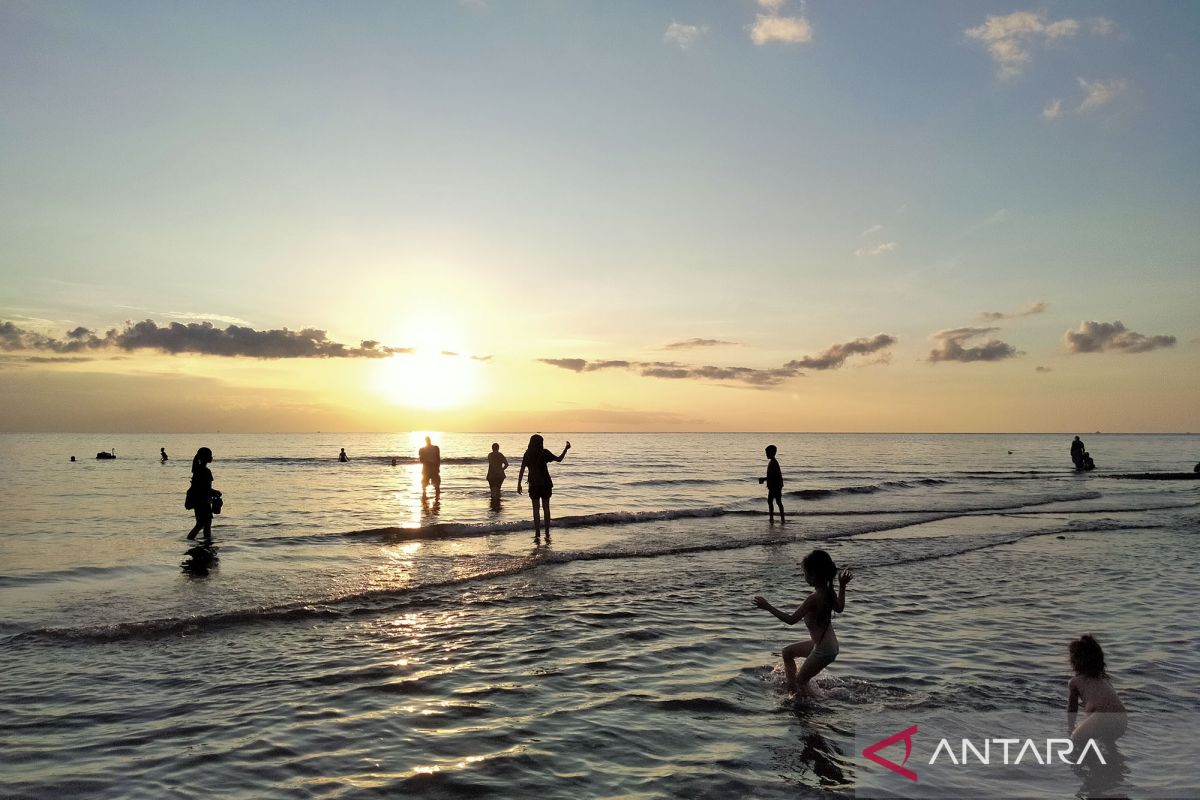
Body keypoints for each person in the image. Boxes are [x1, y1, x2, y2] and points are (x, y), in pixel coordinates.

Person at [753, 550, 853, 693]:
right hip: (829, 646)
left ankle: (804, 705)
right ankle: (791, 687)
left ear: (813, 576)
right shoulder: (829, 592)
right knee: (787, 653)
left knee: (801, 681)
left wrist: (767, 607)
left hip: (823, 650)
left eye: (804, 573)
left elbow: (791, 620)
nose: (803, 576)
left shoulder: (813, 598)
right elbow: (840, 608)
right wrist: (842, 586)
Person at [1067, 635, 1127, 744]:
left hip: (1102, 717)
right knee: (1106, 742)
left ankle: (1085, 760)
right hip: (1122, 719)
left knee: (1075, 738)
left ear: (1075, 661)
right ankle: (1114, 759)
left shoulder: (1074, 682)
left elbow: (1072, 709)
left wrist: (1071, 728)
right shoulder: (1105, 680)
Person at [517, 434, 570, 541]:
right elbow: (559, 459)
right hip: (546, 484)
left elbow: (522, 469)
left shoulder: (527, 454)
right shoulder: (544, 452)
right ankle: (547, 532)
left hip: (533, 485)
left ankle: (537, 533)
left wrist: (519, 483)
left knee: (535, 510)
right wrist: (566, 449)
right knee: (546, 508)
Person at [185, 447, 221, 542]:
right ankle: (202, 542)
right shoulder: (205, 471)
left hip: (198, 501)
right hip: (203, 501)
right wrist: (215, 492)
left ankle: (204, 542)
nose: (211, 457)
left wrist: (213, 492)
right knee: (204, 524)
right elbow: (205, 488)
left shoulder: (197, 470)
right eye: (210, 455)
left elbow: (201, 487)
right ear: (205, 457)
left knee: (202, 524)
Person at [759, 444, 785, 523]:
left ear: (771, 453)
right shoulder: (773, 462)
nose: (766, 454)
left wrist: (764, 479)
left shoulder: (774, 463)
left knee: (774, 501)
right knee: (775, 501)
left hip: (775, 486)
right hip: (775, 485)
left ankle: (774, 518)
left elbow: (773, 476)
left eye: (767, 453)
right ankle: (777, 518)